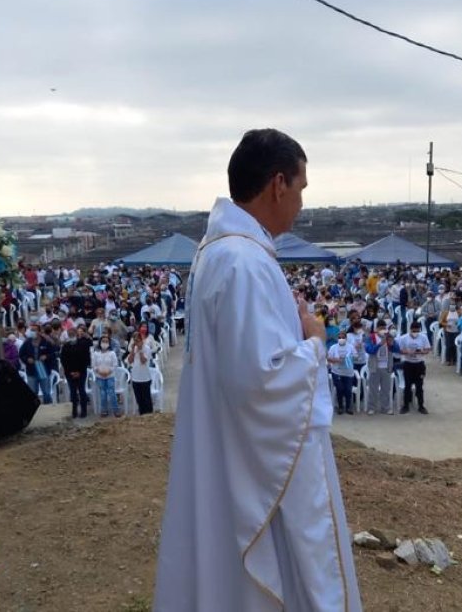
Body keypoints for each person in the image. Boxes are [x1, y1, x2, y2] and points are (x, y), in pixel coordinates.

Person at [155, 129, 361, 611]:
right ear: (278, 184)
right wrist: (314, 341)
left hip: (230, 447)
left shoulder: (226, 252)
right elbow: (261, 384)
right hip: (252, 456)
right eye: (302, 188)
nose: (302, 204)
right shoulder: (242, 262)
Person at [397, 320, 431, 414]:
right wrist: (407, 352)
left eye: (417, 331)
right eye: (414, 331)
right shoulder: (404, 338)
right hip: (408, 363)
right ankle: (406, 405)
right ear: (410, 329)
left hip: (419, 364)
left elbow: (428, 349)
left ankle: (421, 405)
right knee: (407, 386)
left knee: (419, 386)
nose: (415, 333)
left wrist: (422, 352)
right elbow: (400, 350)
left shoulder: (423, 337)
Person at [60, 323, 92, 418]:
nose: (71, 334)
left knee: (82, 391)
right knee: (73, 392)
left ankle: (84, 411)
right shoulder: (65, 346)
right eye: (69, 332)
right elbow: (63, 360)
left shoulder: (82, 344)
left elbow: (86, 359)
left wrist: (79, 372)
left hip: (81, 372)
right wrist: (71, 372)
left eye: (73, 332)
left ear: (76, 333)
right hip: (69, 373)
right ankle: (74, 411)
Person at [127, 324, 155, 414]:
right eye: (135, 340)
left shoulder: (146, 349)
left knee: (146, 399)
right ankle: (142, 414)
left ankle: (149, 415)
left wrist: (140, 350)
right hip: (135, 378)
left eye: (138, 340)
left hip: (145, 378)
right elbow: (130, 361)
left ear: (141, 340)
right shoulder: (134, 348)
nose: (137, 342)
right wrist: (132, 350)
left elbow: (143, 361)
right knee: (139, 400)